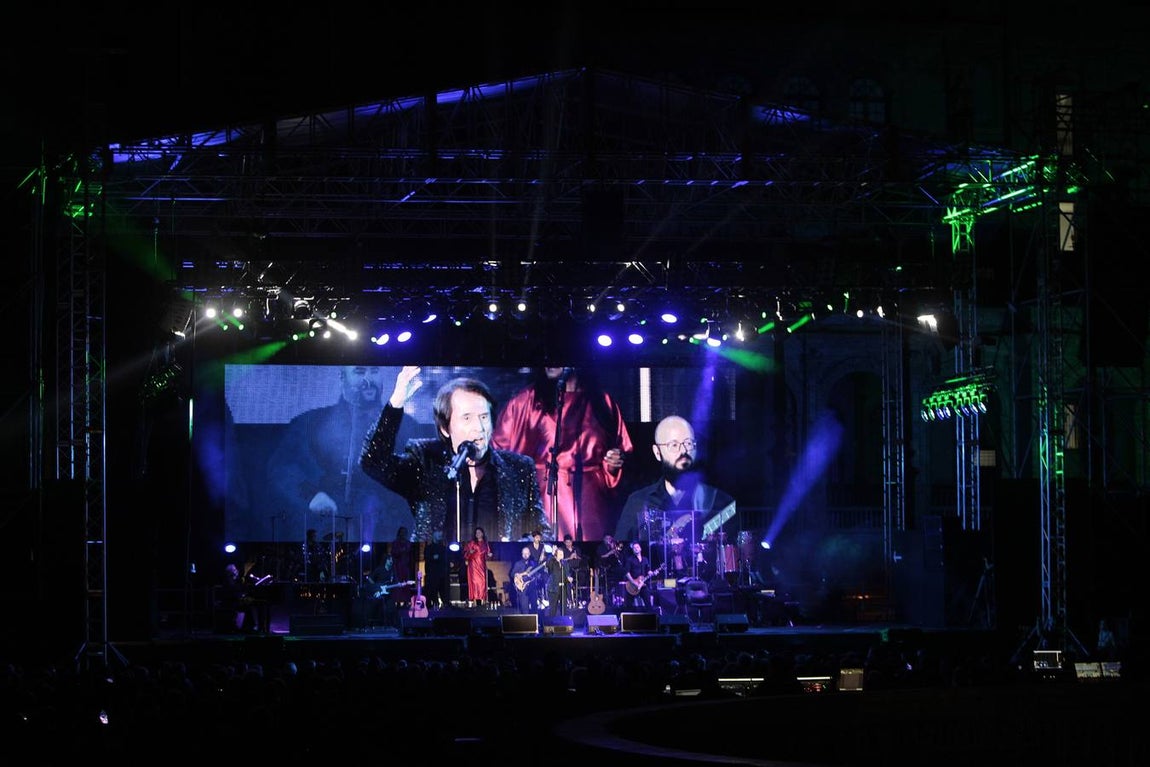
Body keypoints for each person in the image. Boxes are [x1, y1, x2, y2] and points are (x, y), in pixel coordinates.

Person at [359, 366, 548, 545]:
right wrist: (396, 404)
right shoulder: (426, 460)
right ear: (445, 427)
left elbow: (542, 533)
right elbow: (373, 462)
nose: (479, 428)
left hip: (494, 568)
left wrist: (514, 547)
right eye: (467, 418)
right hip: (439, 567)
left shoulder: (519, 469)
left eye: (483, 417)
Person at [266, 365, 415, 550]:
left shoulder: (408, 426)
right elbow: (281, 467)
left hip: (383, 533)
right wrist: (311, 496)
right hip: (324, 531)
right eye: (359, 372)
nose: (368, 380)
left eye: (374, 371)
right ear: (342, 377)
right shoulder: (310, 422)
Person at [492, 366, 633, 542]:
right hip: (544, 499)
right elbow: (498, 455)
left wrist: (613, 464)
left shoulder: (602, 402)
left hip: (590, 503)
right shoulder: (525, 402)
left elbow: (621, 452)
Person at [616, 415, 736, 582]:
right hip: (655, 583)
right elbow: (623, 546)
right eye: (673, 445)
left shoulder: (720, 501)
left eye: (688, 444)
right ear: (657, 452)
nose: (683, 451)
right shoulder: (637, 502)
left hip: (708, 584)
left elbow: (732, 548)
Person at [462, 526, 493, 608]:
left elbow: (488, 555)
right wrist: (470, 552)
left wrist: (489, 555)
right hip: (473, 566)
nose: (478, 534)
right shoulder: (472, 543)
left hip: (481, 566)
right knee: (475, 583)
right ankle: (474, 601)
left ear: (482, 534)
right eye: (476, 533)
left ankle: (482, 601)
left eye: (479, 532)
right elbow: (465, 555)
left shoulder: (485, 543)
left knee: (482, 582)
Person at [623, 540, 659, 609]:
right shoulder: (630, 560)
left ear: (640, 548)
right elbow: (627, 572)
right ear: (633, 550)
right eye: (634, 548)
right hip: (632, 585)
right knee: (628, 605)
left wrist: (653, 573)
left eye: (637, 547)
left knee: (648, 603)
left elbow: (648, 571)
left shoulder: (645, 559)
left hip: (642, 584)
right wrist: (634, 582)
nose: (636, 548)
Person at [508, 545, 544, 613]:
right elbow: (512, 574)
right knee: (524, 608)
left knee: (534, 607)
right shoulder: (518, 563)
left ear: (529, 554)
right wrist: (518, 575)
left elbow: (537, 574)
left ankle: (535, 622)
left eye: (527, 553)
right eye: (523, 553)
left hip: (532, 587)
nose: (525, 555)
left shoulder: (533, 563)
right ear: (521, 554)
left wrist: (538, 575)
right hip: (523, 588)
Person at [595, 532, 626, 607]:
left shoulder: (613, 546)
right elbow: (601, 557)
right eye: (607, 538)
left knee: (623, 571)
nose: (609, 540)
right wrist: (610, 553)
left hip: (613, 568)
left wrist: (615, 550)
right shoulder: (600, 547)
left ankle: (622, 595)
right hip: (604, 567)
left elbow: (619, 557)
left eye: (610, 538)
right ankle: (607, 598)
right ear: (604, 539)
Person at [423, 529, 449, 610]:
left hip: (442, 574)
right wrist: (433, 558)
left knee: (443, 590)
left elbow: (446, 560)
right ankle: (433, 604)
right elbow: (427, 558)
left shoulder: (443, 548)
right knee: (432, 590)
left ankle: (445, 604)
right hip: (432, 574)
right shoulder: (429, 548)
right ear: (434, 534)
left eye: (441, 533)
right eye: (438, 532)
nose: (440, 534)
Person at [389, 526, 414, 606]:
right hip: (398, 566)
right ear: (399, 533)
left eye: (405, 532)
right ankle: (398, 602)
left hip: (405, 566)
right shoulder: (395, 543)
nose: (403, 534)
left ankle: (406, 601)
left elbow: (410, 554)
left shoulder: (408, 543)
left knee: (406, 584)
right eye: (402, 532)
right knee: (398, 584)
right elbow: (394, 553)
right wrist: (400, 551)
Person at [544, 545, 571, 616]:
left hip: (563, 588)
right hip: (553, 588)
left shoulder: (565, 563)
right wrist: (552, 554)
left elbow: (567, 574)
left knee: (563, 608)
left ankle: (564, 624)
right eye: (560, 554)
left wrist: (569, 578)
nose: (562, 556)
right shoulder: (552, 562)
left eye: (563, 554)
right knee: (553, 608)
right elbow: (548, 564)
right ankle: (552, 624)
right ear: (556, 555)